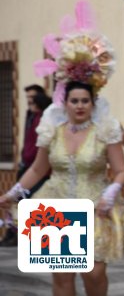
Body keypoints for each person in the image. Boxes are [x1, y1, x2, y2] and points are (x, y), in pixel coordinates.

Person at [0, 1, 124, 296]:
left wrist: (112, 192)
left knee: (94, 273)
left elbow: (122, 170)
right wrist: (13, 193)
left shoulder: (106, 131)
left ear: (92, 103)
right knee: (61, 277)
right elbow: (38, 168)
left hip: (94, 206)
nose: (79, 106)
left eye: (85, 101)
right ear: (66, 102)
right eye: (74, 101)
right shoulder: (52, 130)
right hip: (56, 205)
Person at [0, 86, 52, 247]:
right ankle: (13, 232)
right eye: (27, 97)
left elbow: (39, 150)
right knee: (21, 200)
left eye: (32, 97)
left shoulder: (45, 120)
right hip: (28, 165)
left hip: (38, 167)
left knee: (29, 202)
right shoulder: (31, 115)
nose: (29, 100)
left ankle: (21, 234)